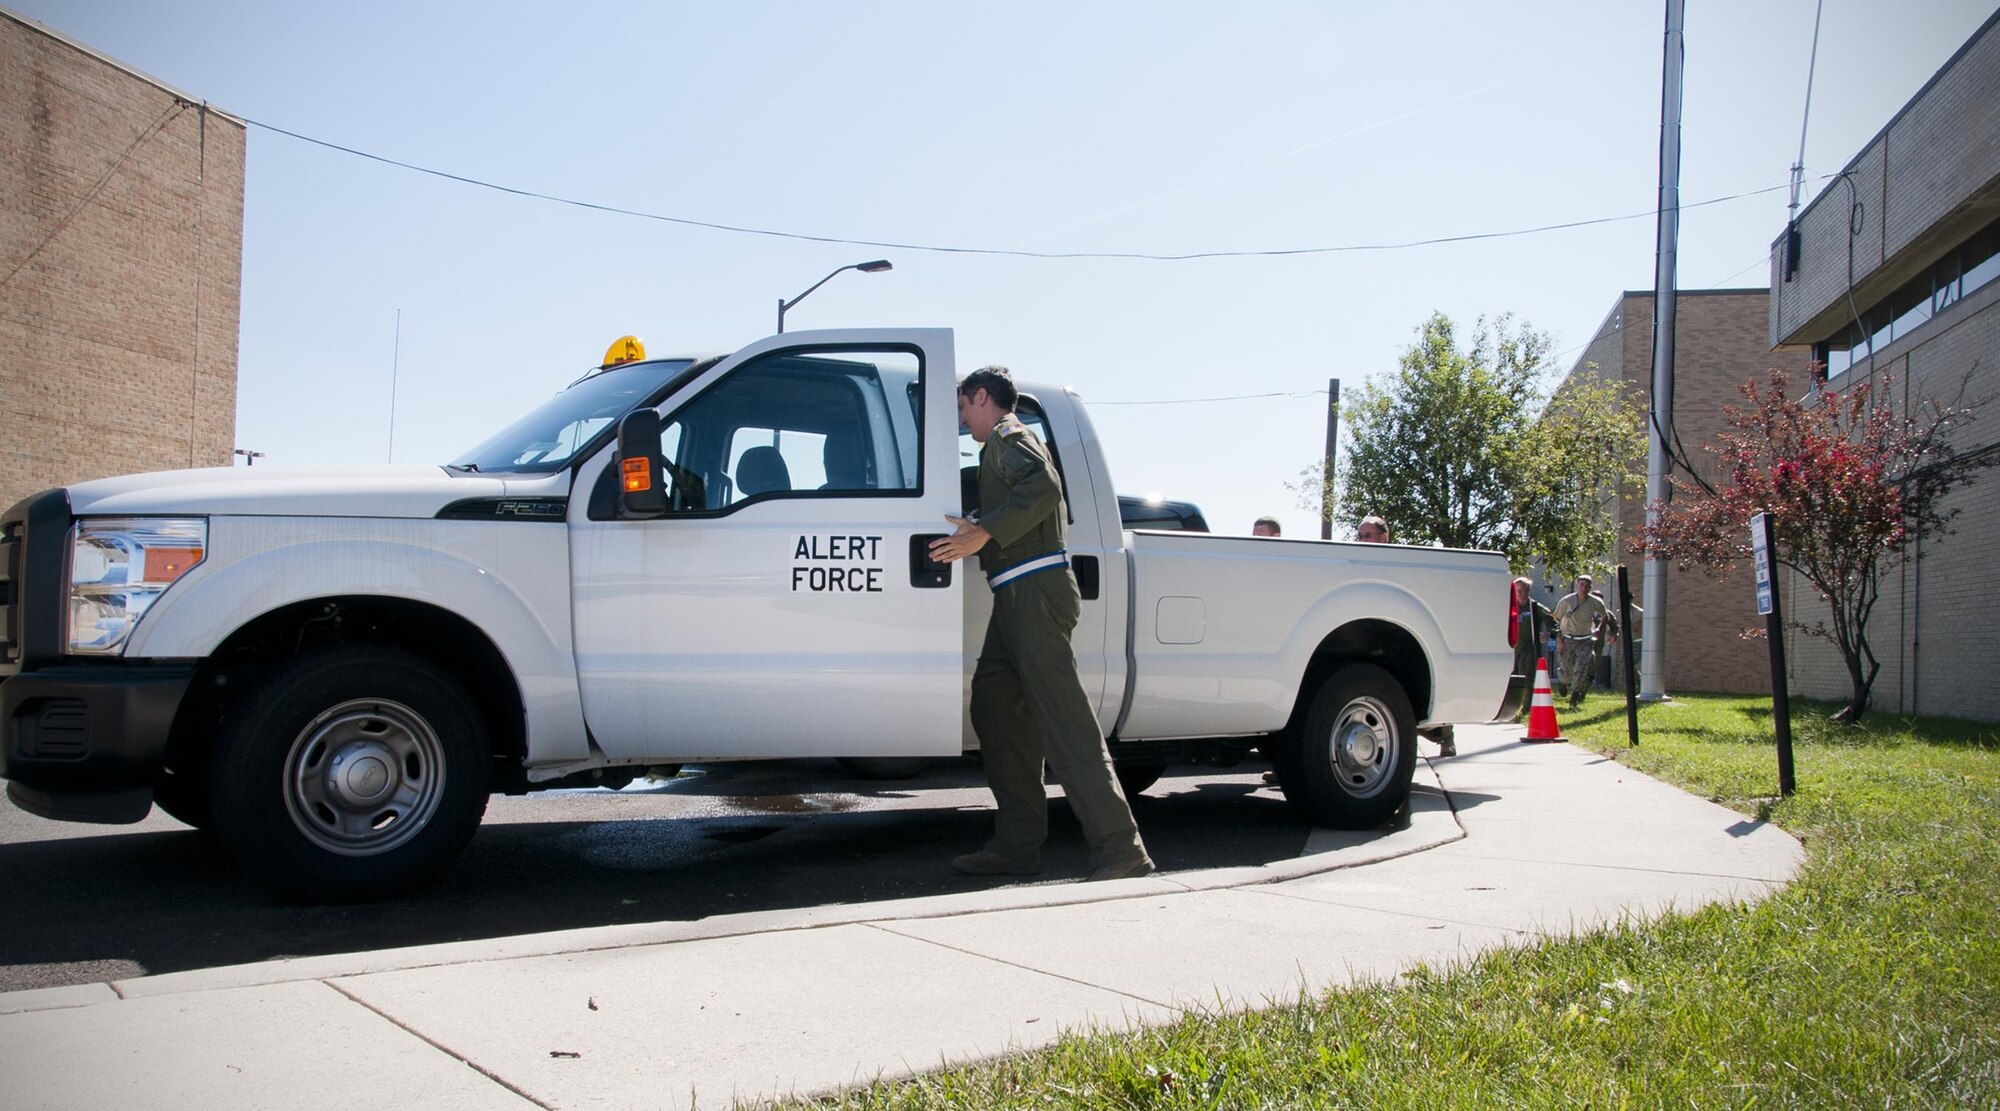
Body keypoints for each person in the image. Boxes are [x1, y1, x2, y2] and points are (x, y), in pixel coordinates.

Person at [929, 366, 1154, 883]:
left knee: (1066, 721)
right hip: (1014, 594)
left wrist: (982, 532)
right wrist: (979, 523)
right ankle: (1017, 846)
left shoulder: (1010, 435)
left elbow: (1046, 486)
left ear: (982, 397)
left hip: (1035, 592)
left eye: (963, 407)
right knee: (994, 705)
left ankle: (1121, 849)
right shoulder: (997, 449)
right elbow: (1022, 497)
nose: (963, 419)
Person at [1550, 573, 1614, 709]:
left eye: (1587, 586)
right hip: (1568, 639)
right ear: (1577, 585)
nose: (1584, 588)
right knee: (1567, 671)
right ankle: (1562, 681)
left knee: (1581, 668)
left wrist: (1598, 629)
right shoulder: (1566, 601)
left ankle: (1574, 699)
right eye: (1581, 585)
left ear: (1590, 587)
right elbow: (1555, 619)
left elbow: (1605, 616)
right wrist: (1559, 640)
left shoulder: (1595, 602)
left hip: (1585, 640)